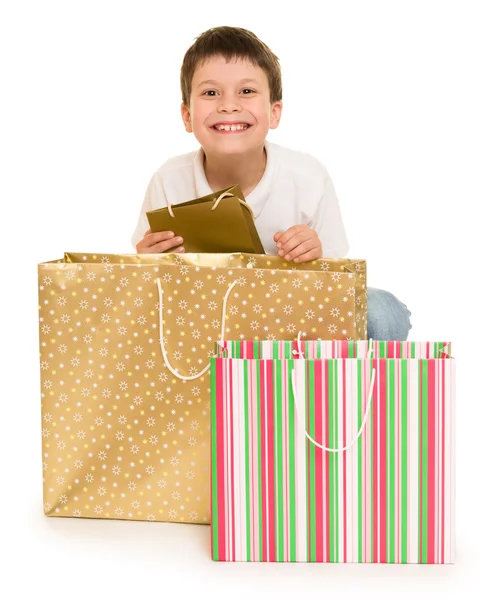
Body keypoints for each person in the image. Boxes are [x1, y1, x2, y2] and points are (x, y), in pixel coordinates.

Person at [131, 26, 411, 341]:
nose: (229, 105)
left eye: (246, 91)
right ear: (187, 116)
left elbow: (340, 283)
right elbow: (151, 290)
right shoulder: (169, 179)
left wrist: (314, 254)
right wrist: (145, 263)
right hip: (208, 316)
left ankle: (342, 386)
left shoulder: (307, 176)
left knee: (382, 309)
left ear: (274, 113)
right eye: (211, 93)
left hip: (290, 315)